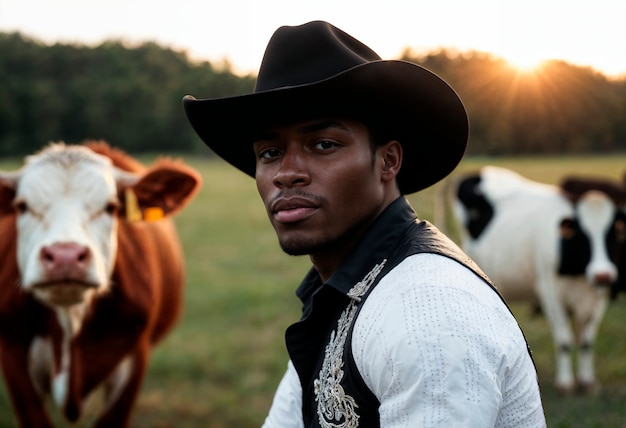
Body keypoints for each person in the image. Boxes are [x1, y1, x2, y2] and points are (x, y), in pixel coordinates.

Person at [183, 20, 546, 428]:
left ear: (388, 161)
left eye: (323, 144)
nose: (286, 173)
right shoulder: (341, 288)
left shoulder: (427, 315)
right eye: (269, 152)